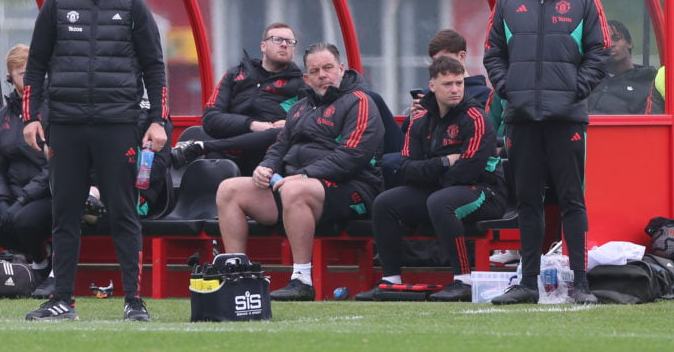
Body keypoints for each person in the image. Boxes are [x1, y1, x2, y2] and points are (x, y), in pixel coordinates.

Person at [22, 0, 168, 321]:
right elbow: (35, 65)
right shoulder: (57, 2)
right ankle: (62, 299)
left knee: (123, 211)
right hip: (66, 125)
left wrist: (158, 120)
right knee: (65, 213)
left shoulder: (133, 2)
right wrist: (32, 116)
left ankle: (134, 301)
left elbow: (155, 66)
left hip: (119, 123)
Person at [483, 0, 609, 305]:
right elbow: (492, 54)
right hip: (522, 118)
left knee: (572, 200)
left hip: (566, 118)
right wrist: (510, 92)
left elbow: (599, 52)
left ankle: (581, 284)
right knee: (527, 202)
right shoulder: (508, 0)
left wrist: (573, 91)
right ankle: (527, 284)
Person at [215, 42, 384, 301]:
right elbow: (279, 148)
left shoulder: (360, 102)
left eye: (328, 68)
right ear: (306, 77)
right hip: (300, 188)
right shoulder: (299, 108)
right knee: (230, 189)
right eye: (315, 71)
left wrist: (304, 174)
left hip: (355, 190)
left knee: (294, 189)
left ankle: (302, 279)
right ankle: (237, 275)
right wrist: (265, 168)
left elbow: (352, 157)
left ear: (341, 68)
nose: (322, 75)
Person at [355, 56, 507, 302]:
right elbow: (405, 168)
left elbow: (469, 170)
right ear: (432, 85)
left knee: (439, 201)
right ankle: (390, 281)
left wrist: (428, 173)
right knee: (385, 203)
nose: (456, 89)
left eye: (459, 83)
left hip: (484, 191)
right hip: (439, 189)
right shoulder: (419, 119)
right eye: (448, 84)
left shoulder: (477, 118)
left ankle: (463, 281)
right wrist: (444, 162)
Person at [0, 44, 53, 283]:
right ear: (10, 77)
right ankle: (40, 258)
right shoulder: (1, 118)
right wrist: (2, 202)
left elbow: (58, 166)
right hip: (15, 196)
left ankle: (41, 264)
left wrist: (23, 200)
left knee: (24, 219)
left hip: (50, 195)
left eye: (35, 72)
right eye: (24, 74)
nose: (31, 78)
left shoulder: (56, 110)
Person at [171, 23, 304, 175]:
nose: (284, 45)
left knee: (281, 132)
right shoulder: (235, 75)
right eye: (277, 39)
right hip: (229, 154)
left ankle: (203, 146)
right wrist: (253, 125)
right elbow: (210, 119)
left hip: (270, 156)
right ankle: (206, 149)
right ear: (263, 46)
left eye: (290, 42)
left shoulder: (301, 85)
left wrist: (289, 123)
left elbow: (309, 121)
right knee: (213, 164)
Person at [381, 29, 493, 189]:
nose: (440, 67)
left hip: (449, 150)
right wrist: (414, 118)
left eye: (444, 60)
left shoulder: (482, 95)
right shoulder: (431, 94)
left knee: (389, 163)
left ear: (461, 56)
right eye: (435, 62)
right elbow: (408, 134)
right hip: (421, 145)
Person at [586, 20, 656, 114]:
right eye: (604, 40)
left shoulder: (648, 84)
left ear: (630, 43)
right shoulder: (588, 81)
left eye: (616, 38)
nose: (611, 44)